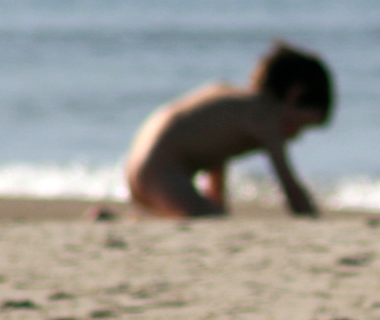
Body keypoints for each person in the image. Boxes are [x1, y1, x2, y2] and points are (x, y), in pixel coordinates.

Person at [124, 41, 333, 218]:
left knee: (211, 216)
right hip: (162, 170)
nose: (296, 137)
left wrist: (217, 205)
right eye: (302, 126)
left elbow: (215, 149)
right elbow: (288, 185)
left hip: (141, 162)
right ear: (294, 95)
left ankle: (119, 216)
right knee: (205, 222)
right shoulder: (265, 116)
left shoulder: (234, 99)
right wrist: (310, 215)